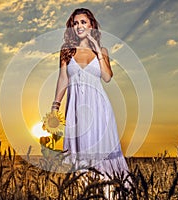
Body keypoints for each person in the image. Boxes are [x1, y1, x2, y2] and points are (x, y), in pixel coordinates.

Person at [51, 8, 130, 183]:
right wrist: (55, 106)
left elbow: (107, 77)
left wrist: (97, 49)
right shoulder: (66, 51)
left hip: (100, 109)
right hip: (76, 110)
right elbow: (63, 79)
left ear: (91, 24)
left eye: (83, 22)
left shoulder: (102, 51)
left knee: (102, 153)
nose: (79, 26)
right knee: (81, 155)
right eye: (75, 23)